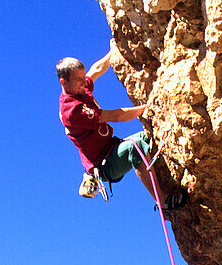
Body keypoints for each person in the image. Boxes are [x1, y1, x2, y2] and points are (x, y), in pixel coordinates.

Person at [56, 43, 187, 208]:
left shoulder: (79, 89)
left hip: (110, 149)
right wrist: (149, 107)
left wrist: (113, 50)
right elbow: (116, 115)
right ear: (64, 82)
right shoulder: (72, 110)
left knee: (147, 136)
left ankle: (168, 182)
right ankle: (162, 202)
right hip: (104, 164)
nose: (84, 82)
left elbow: (96, 70)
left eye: (83, 77)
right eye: (79, 80)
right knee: (136, 147)